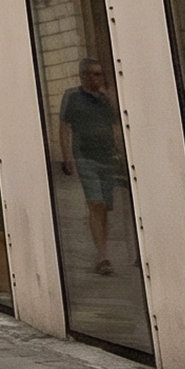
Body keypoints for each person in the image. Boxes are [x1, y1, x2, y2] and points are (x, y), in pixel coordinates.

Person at [59, 58, 122, 276]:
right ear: (83, 76)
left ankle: (103, 250)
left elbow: (116, 122)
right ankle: (102, 255)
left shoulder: (106, 99)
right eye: (93, 74)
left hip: (107, 157)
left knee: (105, 207)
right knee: (95, 203)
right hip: (85, 157)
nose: (97, 78)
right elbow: (64, 126)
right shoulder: (72, 96)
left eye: (99, 74)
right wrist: (66, 156)